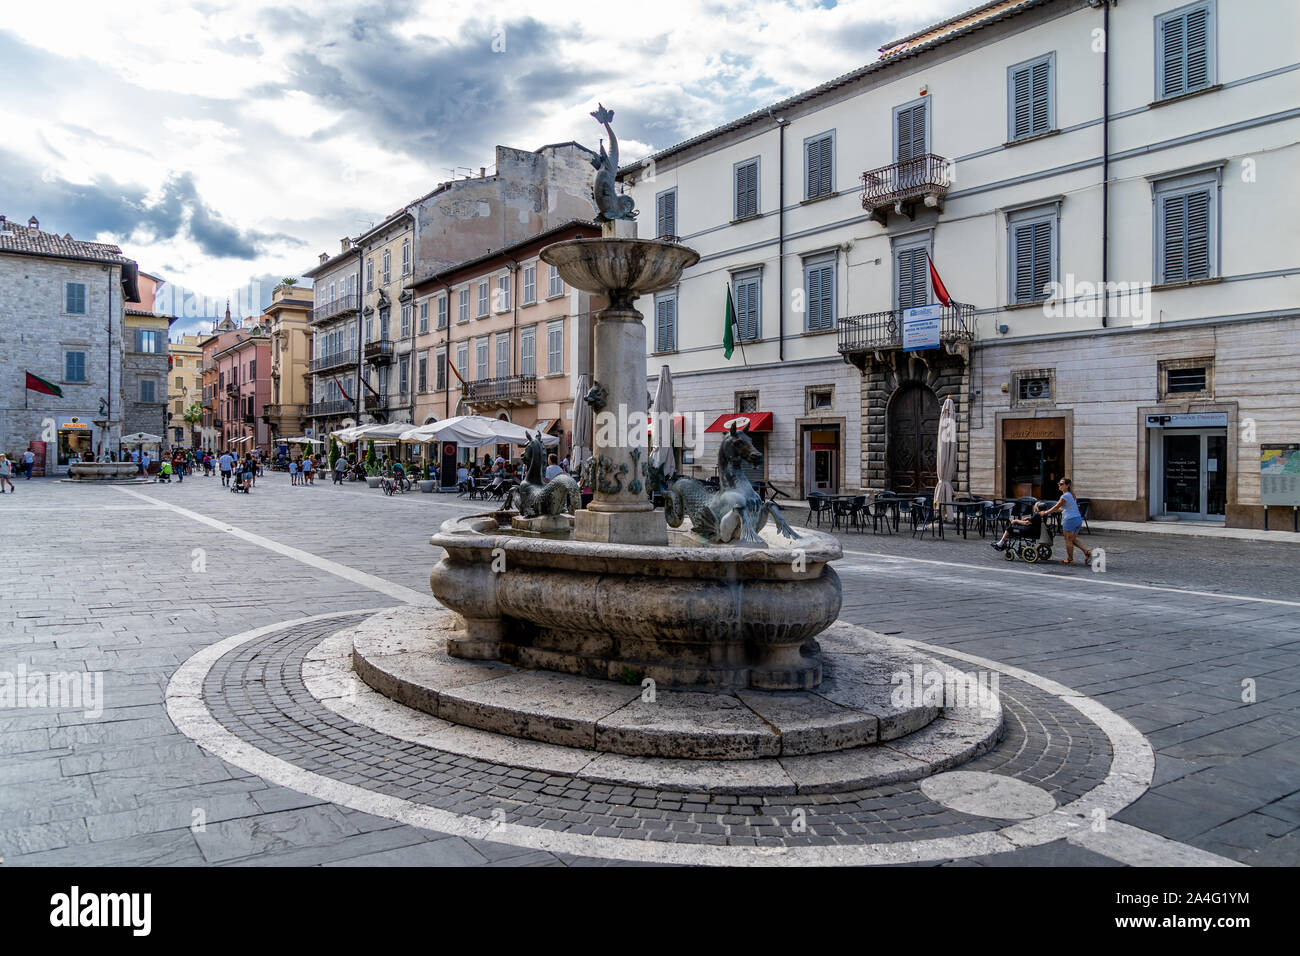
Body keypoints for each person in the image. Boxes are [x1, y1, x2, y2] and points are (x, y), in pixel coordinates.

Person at [1039, 477, 1092, 566]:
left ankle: (1070, 559)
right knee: (1073, 539)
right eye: (1059, 483)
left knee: (1068, 540)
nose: (1059, 485)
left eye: (1062, 484)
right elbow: (1061, 509)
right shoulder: (1071, 495)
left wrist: (1046, 512)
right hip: (1077, 519)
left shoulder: (1065, 496)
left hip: (1070, 519)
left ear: (1067, 485)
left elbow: (1057, 506)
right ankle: (1087, 552)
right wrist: (1051, 511)